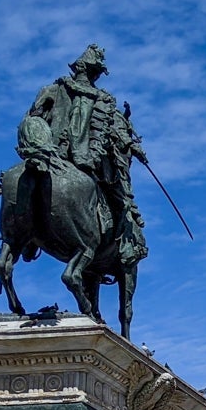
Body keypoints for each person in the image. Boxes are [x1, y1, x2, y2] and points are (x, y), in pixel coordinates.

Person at [23, 44, 149, 269]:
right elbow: (117, 131)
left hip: (53, 153)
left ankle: (29, 235)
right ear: (96, 72)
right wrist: (133, 147)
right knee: (121, 199)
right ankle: (127, 246)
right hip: (88, 159)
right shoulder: (104, 100)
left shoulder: (52, 89)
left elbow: (34, 119)